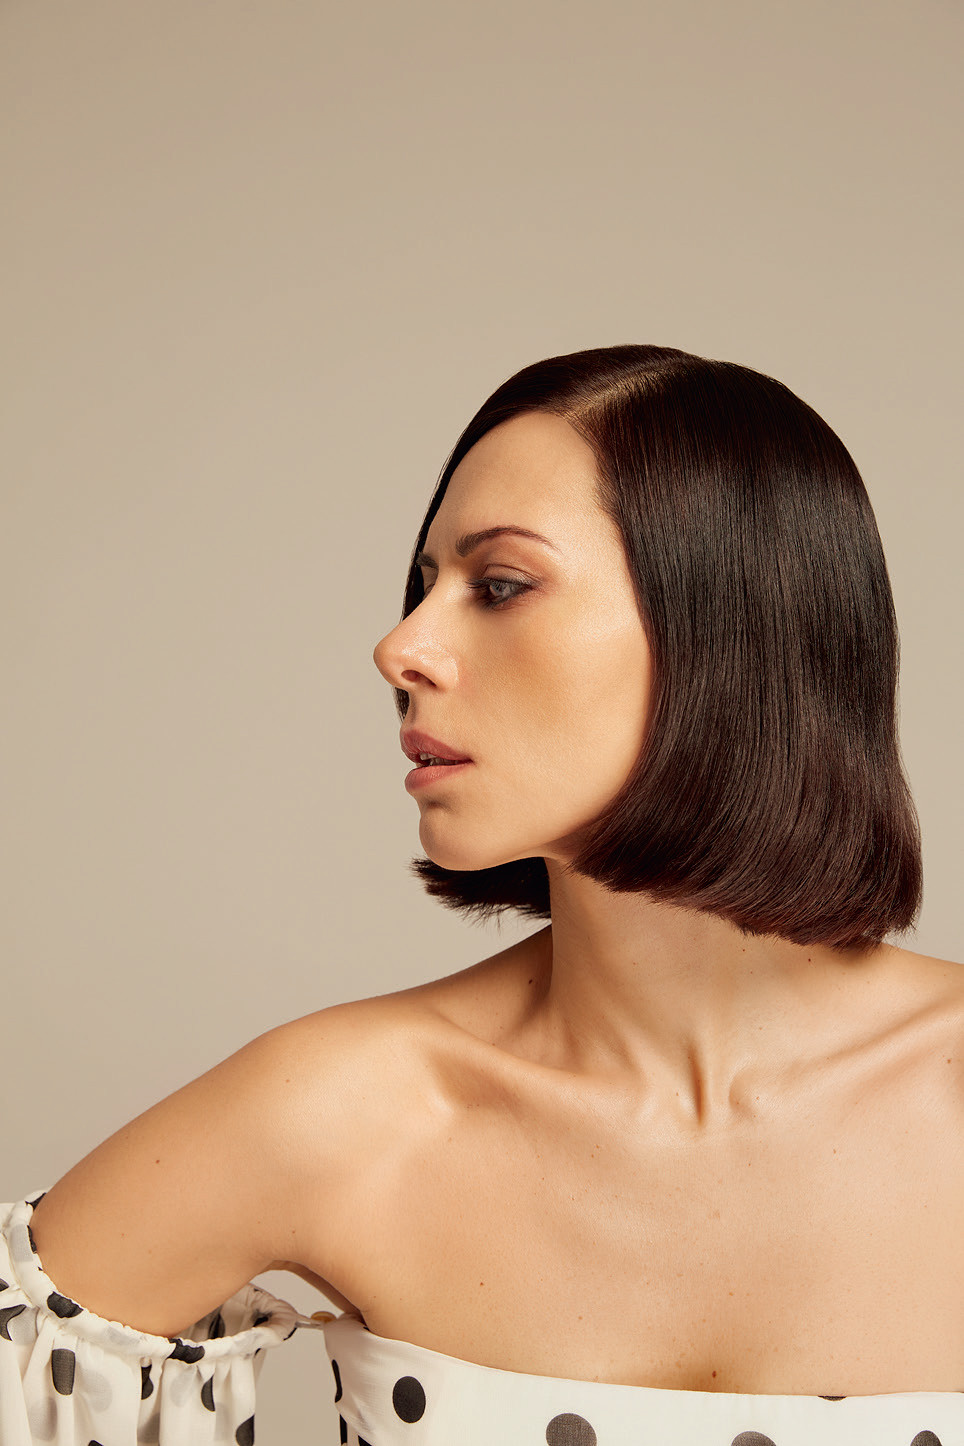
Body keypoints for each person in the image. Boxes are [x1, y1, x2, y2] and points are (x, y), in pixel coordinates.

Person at [2, 344, 961, 1445]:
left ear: (729, 628)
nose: (400, 646)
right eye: (424, 586)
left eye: (498, 586)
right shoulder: (348, 1111)